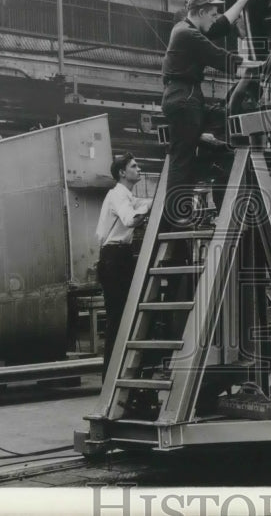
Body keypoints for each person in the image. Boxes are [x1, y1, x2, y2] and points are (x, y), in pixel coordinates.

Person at [161, 0, 261, 226]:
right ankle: (175, 213)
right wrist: (261, 64)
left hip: (187, 97)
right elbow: (221, 58)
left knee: (225, 121)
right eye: (212, 14)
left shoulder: (185, 28)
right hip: (184, 98)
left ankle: (223, 164)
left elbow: (222, 24)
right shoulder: (187, 34)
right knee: (181, 157)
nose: (214, 19)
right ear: (202, 11)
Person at [94, 153, 152, 375]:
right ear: (122, 172)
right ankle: (110, 376)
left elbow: (142, 204)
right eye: (134, 166)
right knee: (118, 318)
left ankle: (119, 373)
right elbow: (130, 220)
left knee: (125, 317)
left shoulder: (127, 196)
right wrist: (146, 210)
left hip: (121, 256)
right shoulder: (117, 195)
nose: (139, 169)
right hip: (114, 258)